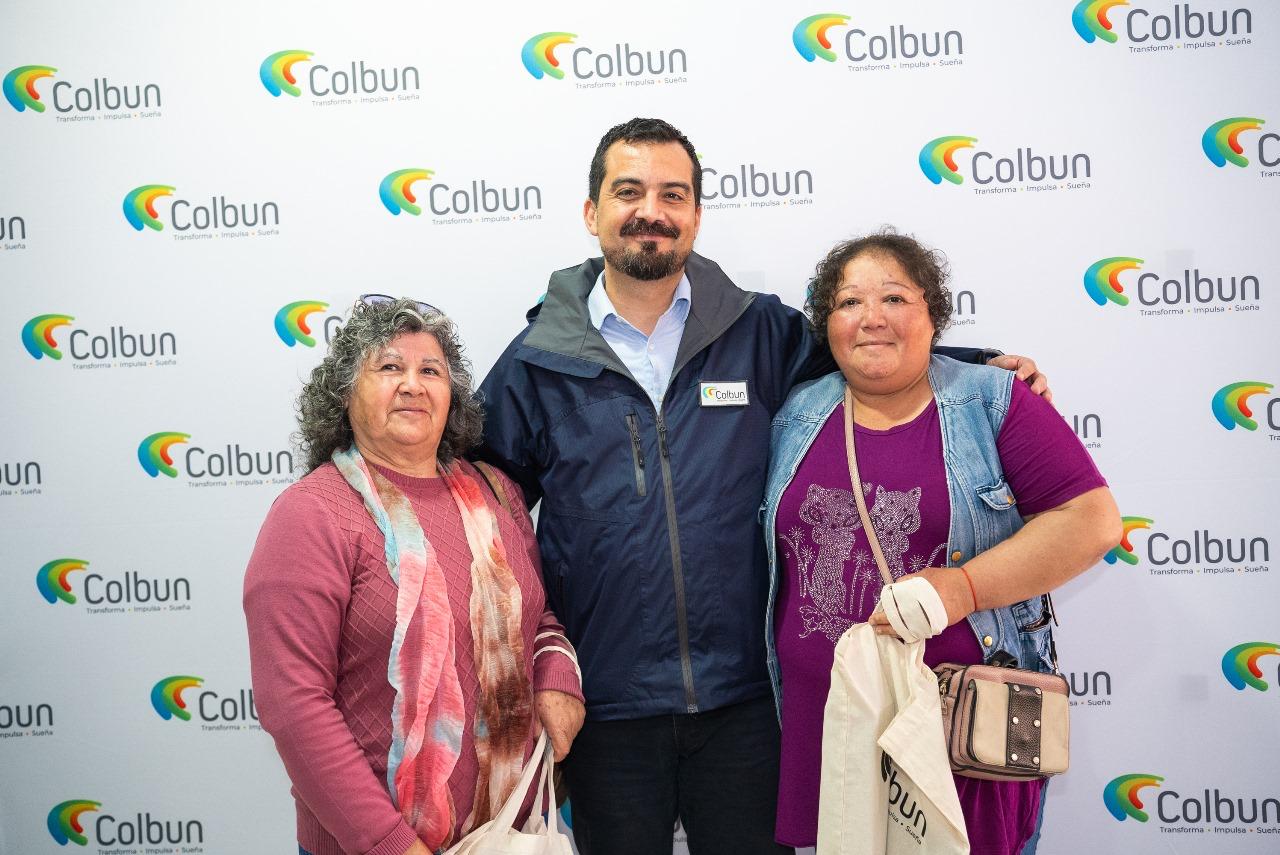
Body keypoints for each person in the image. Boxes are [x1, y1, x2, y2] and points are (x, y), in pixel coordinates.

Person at [477, 118, 1051, 855]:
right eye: (629, 191)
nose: (651, 209)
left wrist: (985, 365)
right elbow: (482, 516)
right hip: (607, 705)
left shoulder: (759, 333)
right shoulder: (537, 362)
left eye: (673, 194)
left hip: (749, 702)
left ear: (695, 215)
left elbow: (871, 361)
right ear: (592, 213)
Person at [761, 230, 1121, 853]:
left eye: (895, 298)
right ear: (827, 326)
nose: (871, 318)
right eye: (848, 303)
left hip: (963, 736)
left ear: (934, 315)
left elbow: (1091, 522)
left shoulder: (993, 401)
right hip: (830, 731)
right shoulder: (797, 413)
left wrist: (961, 588)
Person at [243, 296, 585, 855]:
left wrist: (557, 677)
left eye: (431, 371)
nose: (412, 384)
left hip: (508, 834)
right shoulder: (312, 514)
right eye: (388, 368)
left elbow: (538, 618)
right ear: (343, 394)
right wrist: (390, 845)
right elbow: (294, 704)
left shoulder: (497, 496)